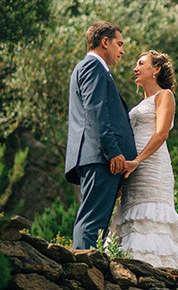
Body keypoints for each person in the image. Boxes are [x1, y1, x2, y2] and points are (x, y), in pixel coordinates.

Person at [112, 50, 178, 268]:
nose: (135, 68)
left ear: (156, 69)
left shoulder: (164, 96)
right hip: (132, 170)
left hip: (151, 168)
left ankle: (157, 272)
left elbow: (161, 133)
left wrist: (138, 160)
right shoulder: (141, 104)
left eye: (141, 64)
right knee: (132, 220)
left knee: (151, 219)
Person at [64, 21, 137, 250]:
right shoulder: (91, 67)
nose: (122, 51)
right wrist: (113, 152)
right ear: (105, 42)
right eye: (119, 44)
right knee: (92, 221)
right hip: (100, 158)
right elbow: (96, 112)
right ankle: (81, 272)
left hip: (100, 158)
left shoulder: (93, 69)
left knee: (97, 225)